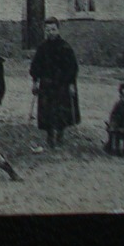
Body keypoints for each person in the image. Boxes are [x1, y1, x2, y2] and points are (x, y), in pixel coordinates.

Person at [30, 17, 80, 148]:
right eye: (48, 30)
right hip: (46, 85)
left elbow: (72, 68)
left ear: (58, 30)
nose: (51, 32)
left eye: (53, 29)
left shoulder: (65, 47)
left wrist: (71, 84)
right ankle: (50, 136)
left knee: (61, 111)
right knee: (47, 111)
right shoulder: (42, 48)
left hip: (62, 85)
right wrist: (35, 82)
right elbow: (36, 66)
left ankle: (60, 135)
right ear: (44, 31)